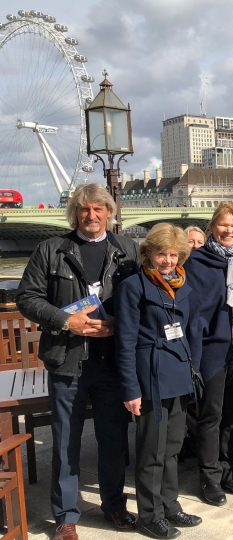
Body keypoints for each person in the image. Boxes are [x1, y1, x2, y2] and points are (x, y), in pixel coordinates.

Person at [17, 184, 140, 540]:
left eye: (98, 209)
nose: (91, 215)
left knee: (114, 439)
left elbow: (142, 299)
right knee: (65, 440)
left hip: (113, 362)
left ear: (109, 211)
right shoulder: (50, 250)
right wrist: (64, 319)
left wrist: (119, 323)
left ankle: (114, 506)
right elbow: (27, 297)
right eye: (84, 210)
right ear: (75, 213)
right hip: (66, 359)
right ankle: (66, 515)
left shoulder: (127, 250)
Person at [115, 224, 202, 538]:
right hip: (150, 375)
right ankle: (150, 515)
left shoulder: (181, 284)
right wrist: (130, 389)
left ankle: (169, 505)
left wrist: (194, 371)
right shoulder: (132, 287)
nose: (167, 260)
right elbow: (124, 342)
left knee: (173, 446)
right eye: (161, 253)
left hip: (177, 373)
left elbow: (188, 333)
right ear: (147, 253)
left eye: (173, 254)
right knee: (152, 450)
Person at [184, 203, 233, 506]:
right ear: (212, 228)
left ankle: (229, 471)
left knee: (232, 416)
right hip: (213, 351)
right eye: (223, 225)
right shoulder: (198, 262)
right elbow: (195, 314)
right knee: (211, 416)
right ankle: (210, 477)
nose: (229, 231)